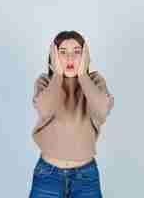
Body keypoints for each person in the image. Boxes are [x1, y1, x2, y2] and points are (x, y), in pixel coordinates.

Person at [29, 30, 114, 198]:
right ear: (53, 56)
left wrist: (83, 75)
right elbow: (45, 109)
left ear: (85, 56)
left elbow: (102, 111)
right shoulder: (45, 82)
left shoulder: (95, 81)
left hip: (86, 176)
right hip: (48, 174)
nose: (70, 59)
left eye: (77, 52)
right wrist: (58, 75)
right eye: (62, 52)